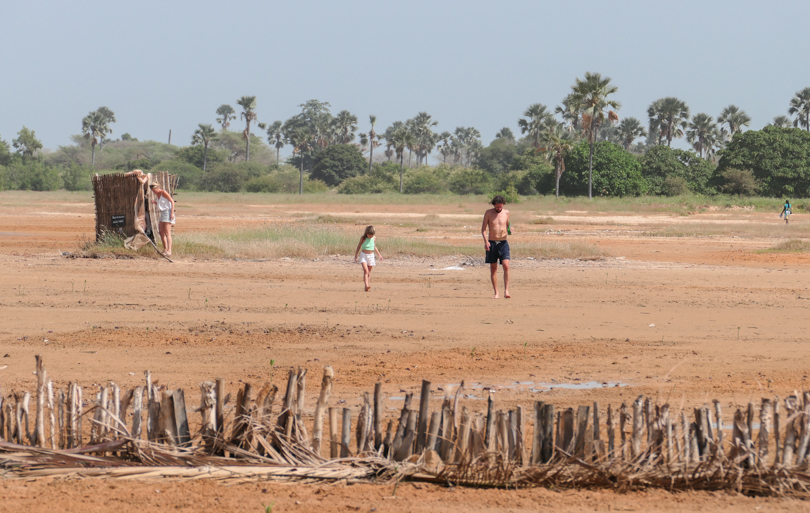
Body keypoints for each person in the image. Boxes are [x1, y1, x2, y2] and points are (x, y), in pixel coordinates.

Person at [481, 195, 511, 299]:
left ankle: (506, 291)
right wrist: (486, 242)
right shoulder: (488, 213)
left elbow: (508, 225)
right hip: (492, 243)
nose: (499, 209)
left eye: (501, 207)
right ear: (494, 205)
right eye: (497, 207)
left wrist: (511, 229)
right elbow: (483, 229)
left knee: (506, 266)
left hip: (503, 243)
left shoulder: (506, 213)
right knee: (493, 269)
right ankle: (496, 293)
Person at [354, 225, 383, 292]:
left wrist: (379, 255)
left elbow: (374, 247)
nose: (371, 237)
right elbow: (358, 246)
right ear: (366, 233)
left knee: (369, 273)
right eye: (370, 235)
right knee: (366, 271)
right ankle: (367, 285)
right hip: (364, 255)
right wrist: (356, 255)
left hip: (371, 256)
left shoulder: (374, 238)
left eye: (372, 235)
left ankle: (366, 287)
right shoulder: (363, 238)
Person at [149, 181, 175, 256]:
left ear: (157, 188)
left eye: (154, 190)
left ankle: (169, 250)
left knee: (167, 232)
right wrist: (155, 202)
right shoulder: (158, 194)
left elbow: (172, 201)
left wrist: (172, 213)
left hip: (168, 212)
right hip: (162, 212)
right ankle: (165, 249)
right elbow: (162, 204)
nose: (154, 192)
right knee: (161, 231)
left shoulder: (163, 192)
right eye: (152, 191)